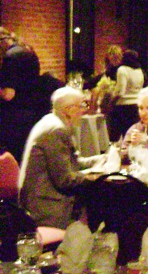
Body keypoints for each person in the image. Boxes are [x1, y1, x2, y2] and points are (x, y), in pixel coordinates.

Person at [18, 87, 103, 228]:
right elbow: (65, 180)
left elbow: (73, 163)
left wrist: (101, 159)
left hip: (44, 200)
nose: (84, 110)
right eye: (81, 105)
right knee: (99, 204)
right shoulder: (56, 131)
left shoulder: (52, 121)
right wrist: (96, 176)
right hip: (46, 207)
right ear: (68, 109)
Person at [108, 49, 145, 142]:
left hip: (122, 107)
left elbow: (120, 91)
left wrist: (111, 102)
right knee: (131, 135)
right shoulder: (139, 70)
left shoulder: (122, 70)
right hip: (136, 105)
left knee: (116, 136)